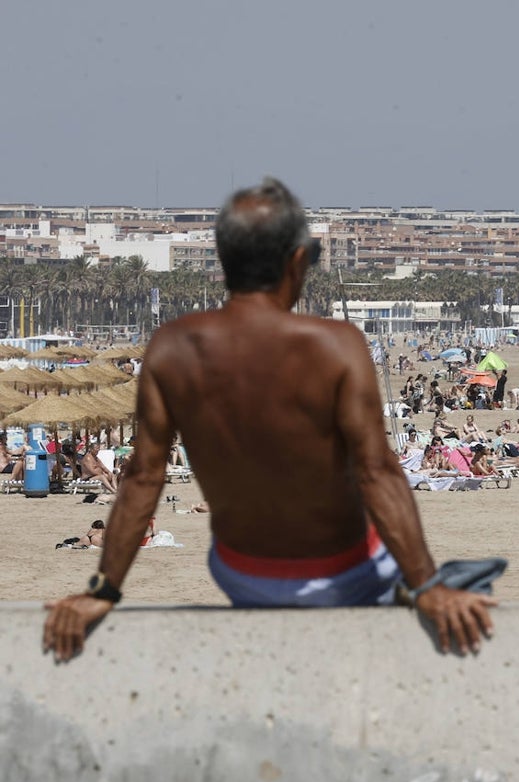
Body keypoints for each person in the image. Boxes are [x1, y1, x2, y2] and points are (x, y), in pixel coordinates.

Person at [42, 178, 495, 662]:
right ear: (297, 261)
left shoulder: (172, 347)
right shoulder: (335, 345)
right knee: (474, 576)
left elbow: (144, 478)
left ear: (223, 257)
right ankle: (411, 585)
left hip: (242, 572)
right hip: (343, 572)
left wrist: (103, 590)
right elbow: (378, 472)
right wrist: (426, 584)